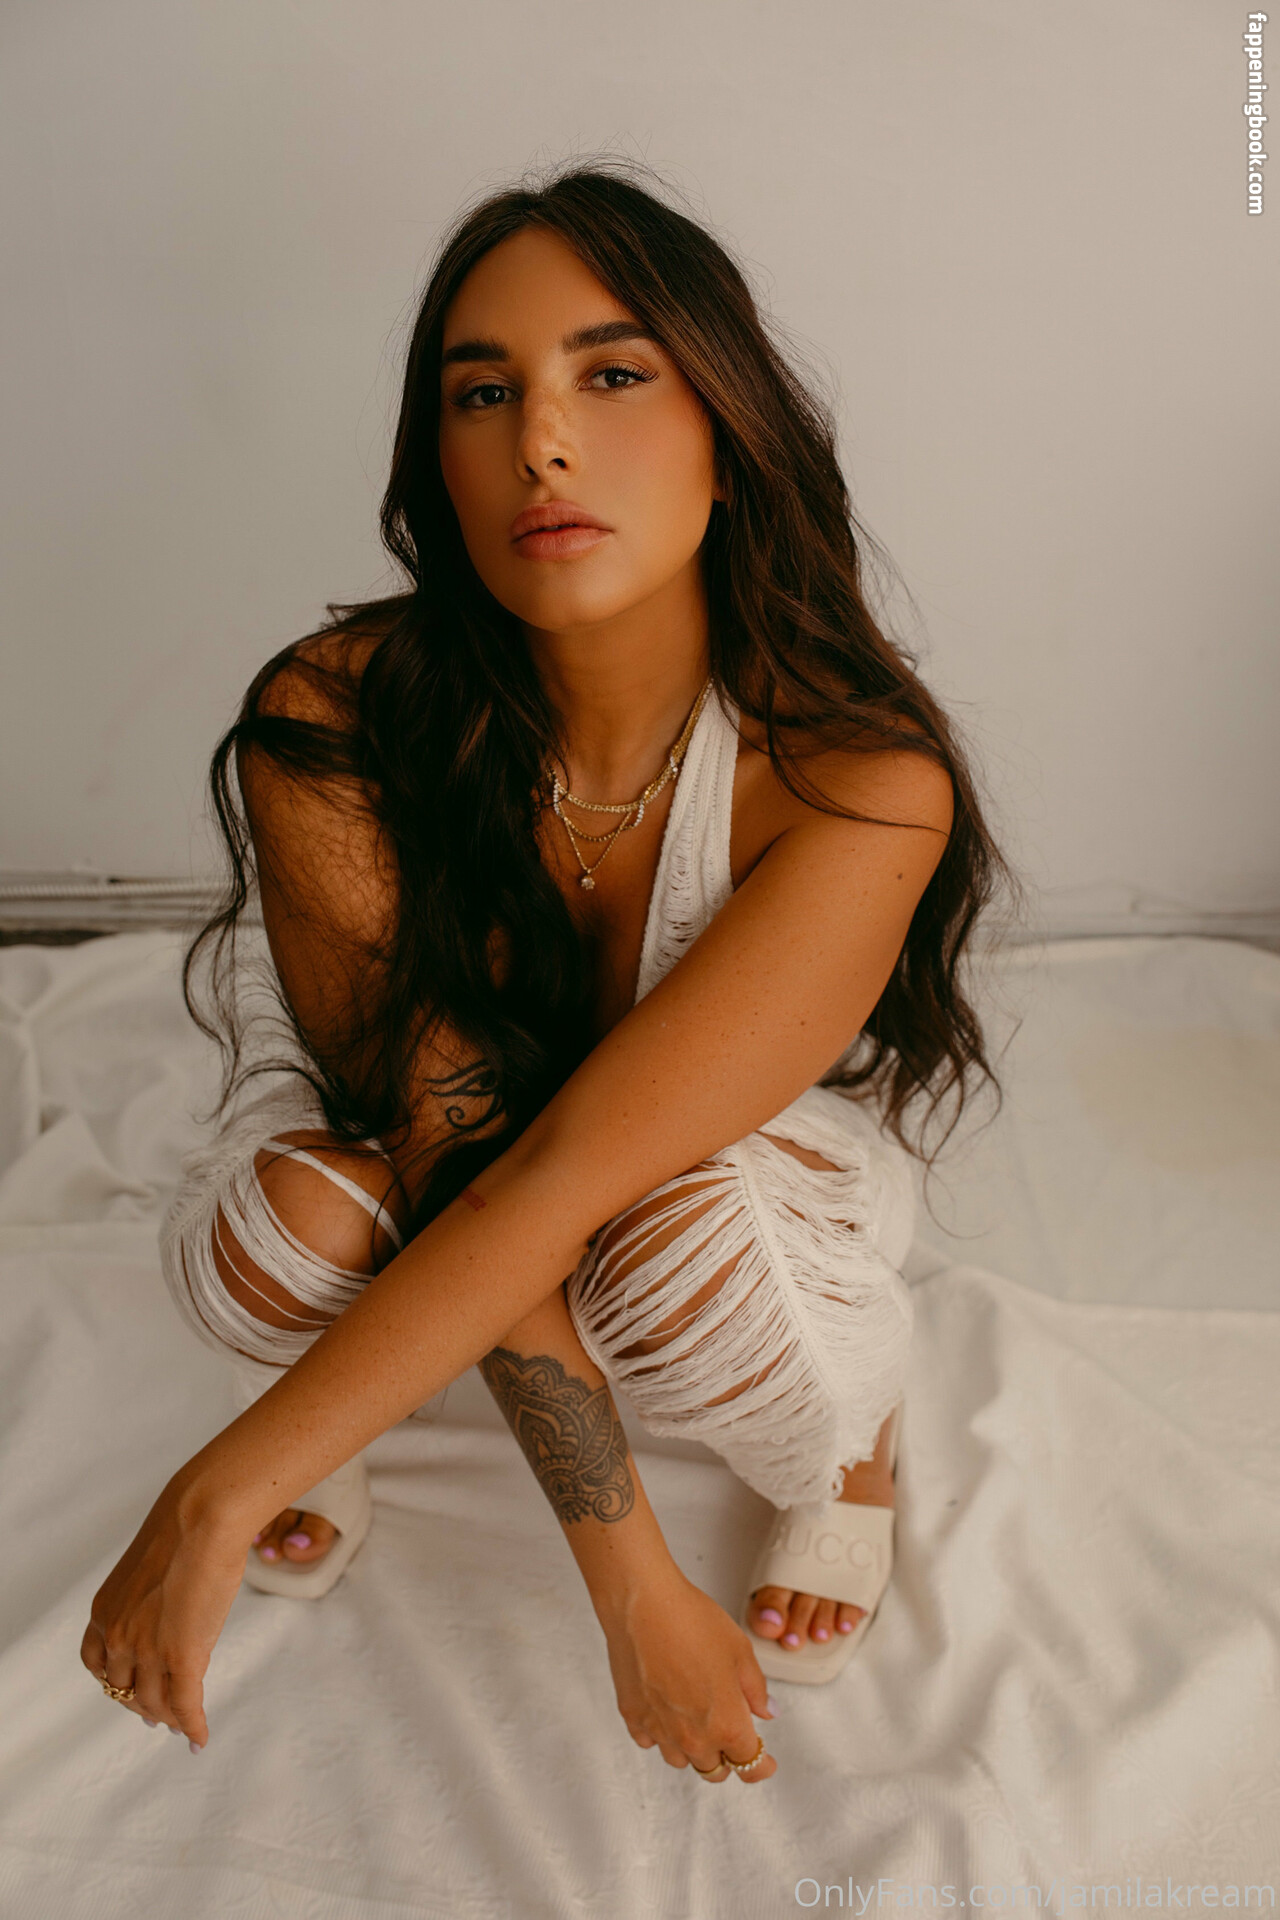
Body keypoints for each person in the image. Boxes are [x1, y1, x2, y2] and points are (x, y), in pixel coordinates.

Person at [80, 160, 1013, 1786]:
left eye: (614, 374)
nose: (543, 443)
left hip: (701, 1170)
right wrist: (252, 1473)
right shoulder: (335, 713)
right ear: (436, 461)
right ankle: (332, 1408)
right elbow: (460, 1140)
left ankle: (852, 1444)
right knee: (279, 1240)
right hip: (466, 1154)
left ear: (730, 431)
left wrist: (217, 1493)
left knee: (681, 1263)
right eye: (483, 391)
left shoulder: (858, 784)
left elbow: (570, 1173)